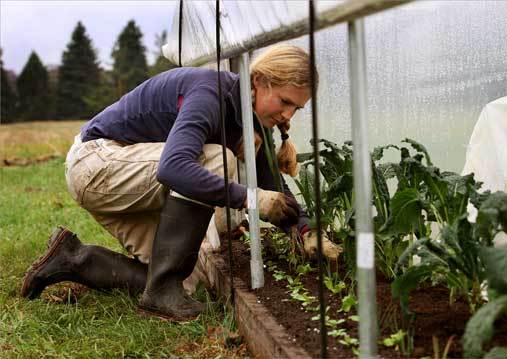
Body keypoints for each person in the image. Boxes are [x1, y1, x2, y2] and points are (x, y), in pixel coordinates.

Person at [20, 44, 342, 322]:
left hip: (130, 179)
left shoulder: (253, 119)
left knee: (188, 281)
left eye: (296, 109)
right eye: (284, 102)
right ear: (258, 81)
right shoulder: (210, 93)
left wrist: (306, 231)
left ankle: (74, 258)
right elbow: (173, 168)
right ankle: (161, 292)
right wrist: (252, 199)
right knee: (218, 159)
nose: (288, 115)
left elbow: (275, 189)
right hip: (97, 165)